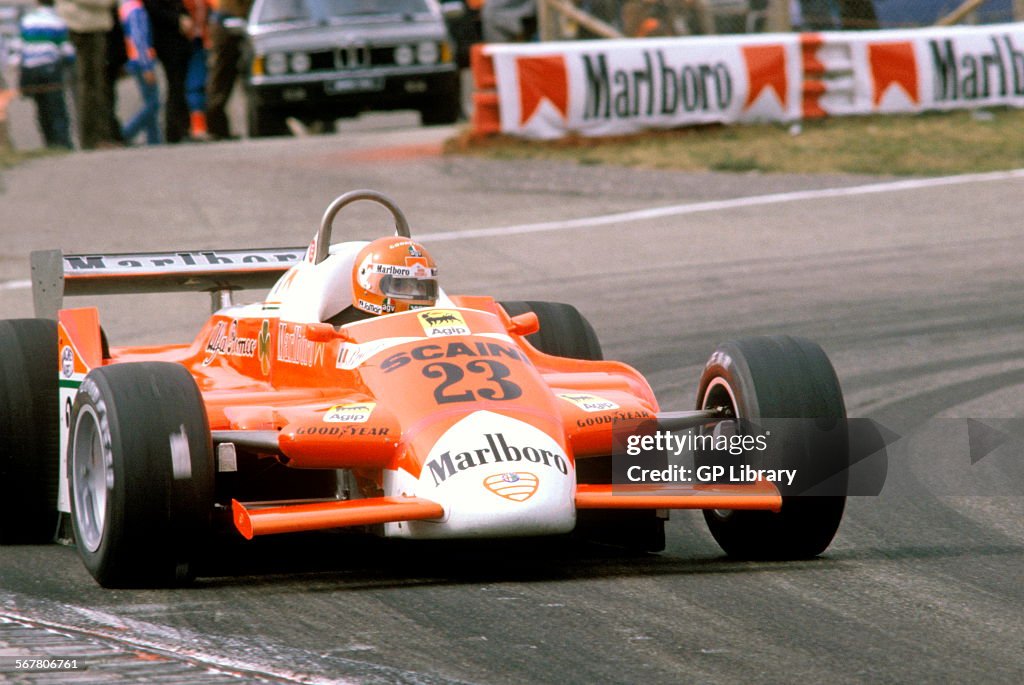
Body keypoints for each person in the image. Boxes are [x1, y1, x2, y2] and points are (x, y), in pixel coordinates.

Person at [328, 238, 439, 325]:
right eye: (399, 285)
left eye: (421, 286)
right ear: (367, 282)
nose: (415, 293)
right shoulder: (344, 333)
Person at [56, 0, 118, 149]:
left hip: (93, 25)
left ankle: (102, 136)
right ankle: (92, 139)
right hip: (82, 27)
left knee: (97, 85)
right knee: (89, 85)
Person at [16, 0, 75, 149]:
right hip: (50, 68)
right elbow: (66, 49)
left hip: (30, 69)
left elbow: (19, 48)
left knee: (41, 107)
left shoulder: (27, 21)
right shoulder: (58, 22)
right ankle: (63, 143)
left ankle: (48, 142)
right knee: (57, 108)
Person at [143, 0, 191, 143]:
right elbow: (153, 9)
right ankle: (174, 131)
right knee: (174, 87)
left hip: (180, 41)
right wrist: (177, 20)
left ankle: (182, 129)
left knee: (180, 88)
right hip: (166, 41)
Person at [205, 0, 252, 140]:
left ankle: (219, 129)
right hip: (225, 26)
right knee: (221, 77)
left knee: (225, 77)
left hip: (233, 24)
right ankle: (215, 127)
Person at [118, 0, 160, 144]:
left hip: (137, 59)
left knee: (150, 100)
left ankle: (154, 140)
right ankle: (126, 133)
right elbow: (139, 39)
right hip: (141, 60)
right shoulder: (136, 10)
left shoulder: (126, 7)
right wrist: (146, 66)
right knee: (153, 103)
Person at [182, 0, 210, 139]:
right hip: (184, 44)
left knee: (199, 86)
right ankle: (196, 127)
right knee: (194, 87)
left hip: (201, 43)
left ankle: (199, 127)